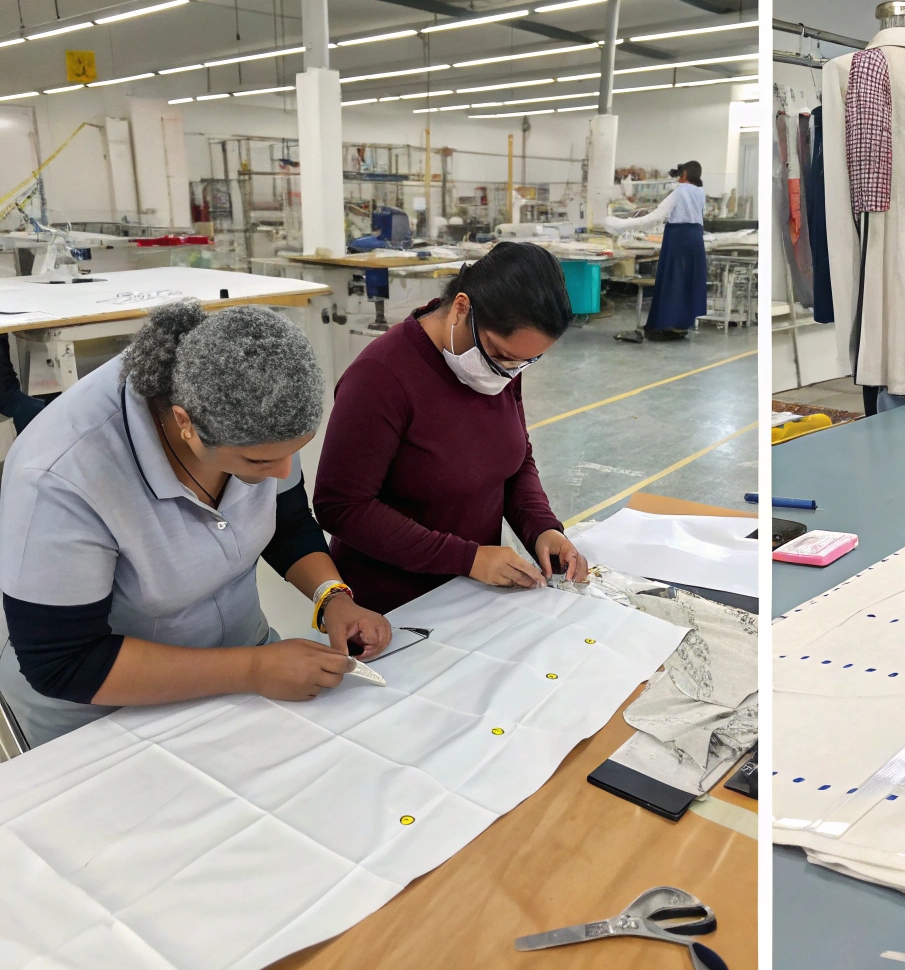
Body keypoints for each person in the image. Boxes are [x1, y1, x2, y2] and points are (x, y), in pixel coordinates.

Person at [0, 301, 392, 748]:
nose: (284, 472)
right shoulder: (60, 477)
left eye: (294, 451)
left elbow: (286, 521)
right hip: (105, 713)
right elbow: (64, 662)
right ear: (186, 423)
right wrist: (252, 669)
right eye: (260, 460)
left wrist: (333, 597)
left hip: (242, 668)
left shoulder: (256, 407)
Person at [314, 240, 589, 617]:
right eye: (500, 356)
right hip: (391, 609)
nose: (507, 373)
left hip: (472, 595)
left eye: (524, 363)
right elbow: (341, 507)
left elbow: (514, 458)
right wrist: (468, 558)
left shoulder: (499, 367)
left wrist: (542, 528)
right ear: (462, 308)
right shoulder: (380, 376)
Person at [607, 160, 708, 343]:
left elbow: (657, 217)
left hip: (678, 238)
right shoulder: (700, 192)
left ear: (684, 174)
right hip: (695, 239)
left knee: (672, 280)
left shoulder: (681, 190)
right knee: (687, 281)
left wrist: (621, 224)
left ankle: (663, 324)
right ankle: (680, 324)